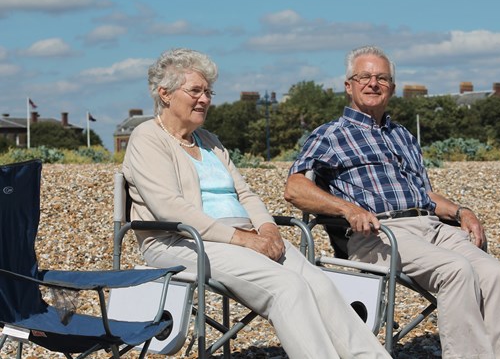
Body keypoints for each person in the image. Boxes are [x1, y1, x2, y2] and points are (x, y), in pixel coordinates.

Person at [122, 47, 390, 359]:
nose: (205, 99)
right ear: (165, 94)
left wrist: (268, 230)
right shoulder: (148, 138)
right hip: (181, 241)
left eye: (208, 92)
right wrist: (243, 239)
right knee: (287, 287)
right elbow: (169, 207)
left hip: (243, 237)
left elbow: (246, 194)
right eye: (195, 90)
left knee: (320, 283)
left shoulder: (209, 141)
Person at [284, 45, 500, 359]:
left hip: (429, 225)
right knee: (456, 270)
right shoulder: (330, 134)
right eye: (364, 76)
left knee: (494, 273)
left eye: (382, 78)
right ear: (348, 86)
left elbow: (425, 194)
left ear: (392, 88)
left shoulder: (402, 134)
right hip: (379, 233)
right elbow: (294, 188)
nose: (373, 83)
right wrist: (347, 208)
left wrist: (461, 211)